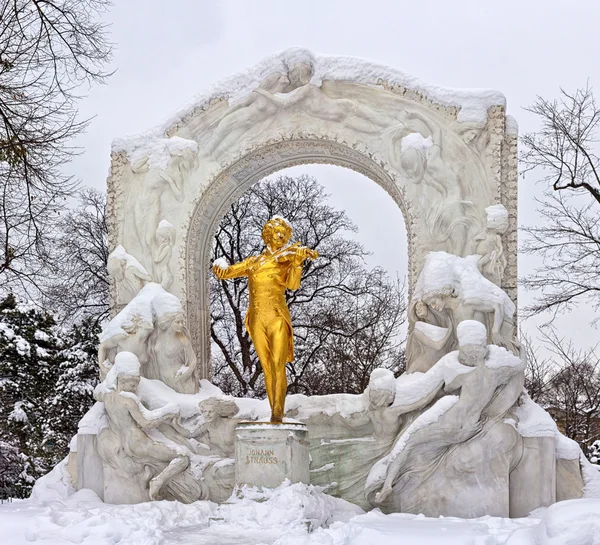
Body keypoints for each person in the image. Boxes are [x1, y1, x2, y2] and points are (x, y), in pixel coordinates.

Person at [212, 216, 318, 422]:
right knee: (267, 366)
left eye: (284, 234)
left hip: (277, 316)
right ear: (268, 234)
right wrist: (219, 267)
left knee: (278, 364)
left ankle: (278, 411)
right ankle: (273, 408)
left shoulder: (287, 259)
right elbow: (228, 273)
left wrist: (297, 263)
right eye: (277, 231)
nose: (281, 236)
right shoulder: (253, 262)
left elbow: (293, 286)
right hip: (256, 318)